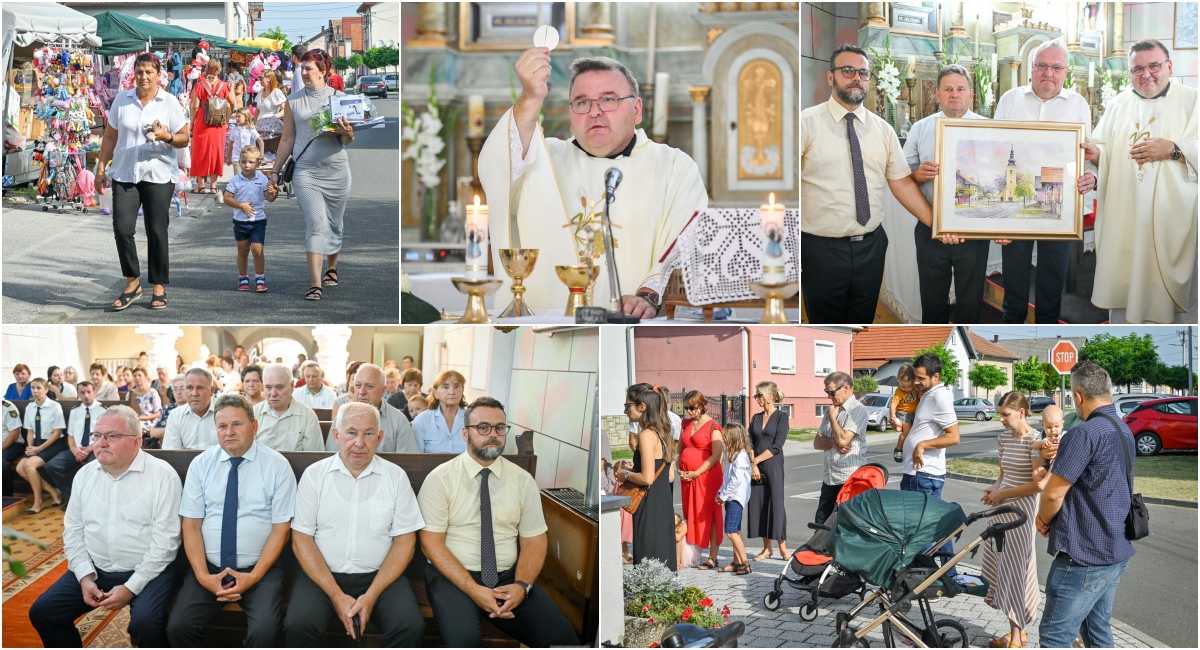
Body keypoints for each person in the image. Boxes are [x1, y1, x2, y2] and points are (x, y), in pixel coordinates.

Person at [479, 54, 707, 318]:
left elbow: (683, 246)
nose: (594, 111)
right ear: (570, 112)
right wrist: (530, 97)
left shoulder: (674, 167)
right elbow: (495, 169)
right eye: (582, 102)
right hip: (541, 327)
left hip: (632, 327)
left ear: (637, 110)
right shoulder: (541, 159)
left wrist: (649, 295)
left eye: (608, 99)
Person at [418, 396, 579, 647]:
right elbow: (430, 544)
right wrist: (474, 589)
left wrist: (522, 585)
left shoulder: (522, 481)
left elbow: (535, 541)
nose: (493, 434)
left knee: (563, 640)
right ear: (465, 433)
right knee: (464, 642)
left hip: (509, 579)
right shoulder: (441, 480)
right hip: (453, 578)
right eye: (483, 428)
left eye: (500, 428)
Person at [29, 406, 182, 648]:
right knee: (43, 612)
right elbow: (73, 531)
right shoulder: (85, 475)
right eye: (96, 436)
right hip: (97, 568)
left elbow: (166, 543)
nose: (101, 443)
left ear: (136, 442)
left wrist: (131, 587)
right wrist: (84, 576)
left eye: (112, 436)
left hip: (150, 571)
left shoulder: (163, 476)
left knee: (145, 623)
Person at [801, 44, 933, 323]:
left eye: (863, 73)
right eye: (848, 71)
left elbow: (902, 184)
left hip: (871, 247)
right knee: (827, 327)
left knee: (863, 324)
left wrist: (938, 222)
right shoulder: (805, 124)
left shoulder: (882, 130)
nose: (856, 78)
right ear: (830, 77)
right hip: (821, 250)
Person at [286, 402, 426, 646]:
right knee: (299, 624)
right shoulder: (315, 475)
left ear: (379, 438)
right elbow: (302, 540)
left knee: (410, 626)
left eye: (368, 434)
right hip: (321, 575)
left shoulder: (395, 477)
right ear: (337, 435)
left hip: (380, 577)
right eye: (351, 433)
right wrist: (335, 595)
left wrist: (371, 596)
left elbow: (405, 542)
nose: (359, 443)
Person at [167, 394, 297, 647]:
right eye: (222, 426)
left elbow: (281, 530)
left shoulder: (277, 466)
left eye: (237, 424)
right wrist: (204, 576)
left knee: (265, 631)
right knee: (179, 627)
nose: (229, 432)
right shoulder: (201, 465)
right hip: (209, 567)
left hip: (261, 568)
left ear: (254, 427)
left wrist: (254, 576)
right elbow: (191, 526)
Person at [1084, 39, 1197, 324]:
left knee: (1178, 319)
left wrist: (1173, 149)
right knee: (1127, 289)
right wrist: (1098, 156)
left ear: (1169, 66)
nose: (1146, 74)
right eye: (1137, 69)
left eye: (1154, 66)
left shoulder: (1193, 100)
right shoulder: (1117, 104)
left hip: (1173, 219)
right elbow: (1103, 150)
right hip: (1127, 217)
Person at [1035, 362, 1136, 648]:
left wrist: (1043, 520)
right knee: (1097, 633)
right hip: (1114, 548)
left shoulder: (1084, 433)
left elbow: (1053, 495)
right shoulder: (1123, 429)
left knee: (1055, 637)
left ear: (1078, 396)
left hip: (1084, 555)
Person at [994, 39, 1092, 324]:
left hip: (1060, 206)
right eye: (1042, 65)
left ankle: (1048, 324)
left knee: (1052, 281)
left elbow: (1086, 153)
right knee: (1014, 279)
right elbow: (994, 147)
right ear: (1031, 68)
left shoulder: (1078, 104)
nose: (1048, 72)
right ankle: (1013, 322)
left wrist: (1091, 175)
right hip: (1017, 205)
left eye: (1056, 67)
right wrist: (998, 220)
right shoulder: (1010, 99)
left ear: (1066, 72)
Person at [96, 52, 190, 311]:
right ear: (133, 74)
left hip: (158, 175)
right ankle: (133, 282)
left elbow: (185, 137)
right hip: (125, 173)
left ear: (159, 74)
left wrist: (166, 136)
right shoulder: (122, 100)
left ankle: (158, 286)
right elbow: (110, 137)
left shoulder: (169, 102)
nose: (144, 77)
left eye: (149, 72)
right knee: (122, 230)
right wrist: (101, 168)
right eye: (139, 72)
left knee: (156, 231)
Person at [903, 65, 991, 323]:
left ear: (971, 95)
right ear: (937, 95)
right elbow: (902, 176)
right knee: (932, 301)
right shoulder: (920, 129)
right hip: (931, 227)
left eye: (960, 89)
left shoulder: (990, 128)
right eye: (948, 89)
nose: (955, 94)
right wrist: (918, 174)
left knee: (971, 300)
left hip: (972, 233)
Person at [270, 49, 356, 301]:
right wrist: (275, 171)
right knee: (316, 223)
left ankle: (332, 267)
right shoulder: (293, 101)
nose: (304, 72)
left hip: (336, 170)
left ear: (324, 71)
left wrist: (348, 132)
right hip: (306, 172)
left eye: (309, 68)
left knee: (334, 223)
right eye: (302, 68)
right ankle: (315, 283)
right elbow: (287, 138)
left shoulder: (339, 98)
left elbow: (347, 139)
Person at [979, 392, 1044, 648]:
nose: (1001, 419)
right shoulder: (1003, 438)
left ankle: (1018, 638)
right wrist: (993, 491)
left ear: (1022, 412)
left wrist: (1002, 493)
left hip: (1021, 513)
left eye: (1005, 415)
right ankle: (1017, 633)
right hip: (1002, 509)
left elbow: (1037, 486)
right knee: (1004, 569)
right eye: (1000, 414)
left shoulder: (1034, 440)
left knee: (1018, 570)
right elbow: (1003, 475)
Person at [903, 352, 961, 577]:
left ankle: (926, 579)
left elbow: (954, 436)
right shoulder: (928, 394)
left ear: (935, 377)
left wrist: (922, 445)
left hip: (923, 475)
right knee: (936, 526)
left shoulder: (940, 397)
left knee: (921, 530)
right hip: (920, 474)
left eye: (921, 378)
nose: (916, 382)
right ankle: (949, 575)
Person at [616, 383, 677, 570]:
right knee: (662, 551)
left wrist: (624, 474)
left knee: (647, 551)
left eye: (628, 406)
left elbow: (647, 478)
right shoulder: (664, 432)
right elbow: (669, 476)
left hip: (649, 504)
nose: (625, 410)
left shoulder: (646, 435)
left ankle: (647, 598)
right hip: (664, 501)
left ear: (642, 406)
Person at [812, 372, 868, 526]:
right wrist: (831, 442)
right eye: (827, 393)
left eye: (831, 392)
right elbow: (817, 443)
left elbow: (843, 440)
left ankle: (841, 551)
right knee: (821, 524)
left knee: (845, 525)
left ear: (845, 387)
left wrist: (832, 417)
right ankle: (822, 551)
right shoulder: (832, 409)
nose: (829, 397)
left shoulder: (857, 409)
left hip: (849, 478)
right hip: (829, 477)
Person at [324, 364, 418, 453]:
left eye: (369, 386)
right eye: (358, 385)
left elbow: (408, 461)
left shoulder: (398, 421)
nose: (362, 392)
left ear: (383, 390)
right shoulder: (341, 417)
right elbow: (331, 456)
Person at [677, 390, 724, 570]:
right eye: (687, 408)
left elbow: (716, 455)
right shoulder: (686, 423)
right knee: (691, 514)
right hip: (687, 477)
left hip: (706, 477)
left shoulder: (713, 426)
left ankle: (713, 557)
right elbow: (679, 448)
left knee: (709, 515)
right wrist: (678, 467)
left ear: (703, 406)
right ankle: (692, 554)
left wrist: (696, 472)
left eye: (692, 408)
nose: (689, 411)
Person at [44, 381, 110, 506]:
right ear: (78, 394)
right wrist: (74, 449)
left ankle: (93, 502)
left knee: (93, 466)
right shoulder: (75, 411)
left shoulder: (103, 411)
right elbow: (71, 434)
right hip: (77, 448)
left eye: (89, 392)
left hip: (95, 448)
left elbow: (104, 436)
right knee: (52, 465)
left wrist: (88, 449)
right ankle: (73, 500)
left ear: (94, 392)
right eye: (82, 393)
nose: (86, 395)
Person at [224, 144, 279, 292]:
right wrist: (241, 205)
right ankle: (243, 277)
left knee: (257, 250)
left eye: (250, 162)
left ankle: (260, 277)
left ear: (258, 163)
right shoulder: (235, 180)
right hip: (240, 222)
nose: (246, 165)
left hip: (258, 221)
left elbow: (269, 197)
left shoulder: (263, 179)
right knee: (242, 251)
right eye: (243, 161)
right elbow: (227, 198)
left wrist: (274, 193)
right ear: (240, 161)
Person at [747, 381, 790, 561]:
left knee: (776, 505)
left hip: (773, 466)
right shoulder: (756, 418)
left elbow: (777, 446)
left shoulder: (781, 417)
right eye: (756, 395)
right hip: (756, 467)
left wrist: (756, 460)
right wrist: (753, 464)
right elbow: (748, 441)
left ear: (770, 396)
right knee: (759, 504)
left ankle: (783, 548)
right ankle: (766, 549)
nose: (756, 398)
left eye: (759, 395)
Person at [16, 378, 67, 513]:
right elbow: (30, 431)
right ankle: (53, 490)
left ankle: (38, 502)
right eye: (33, 388)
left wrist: (39, 449)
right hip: (36, 444)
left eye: (38, 388)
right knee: (20, 468)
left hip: (53, 443)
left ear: (46, 390)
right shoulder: (30, 407)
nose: (35, 391)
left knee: (29, 465)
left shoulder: (55, 407)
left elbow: (57, 433)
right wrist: (30, 447)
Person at [253, 364, 323, 452]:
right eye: (268, 387)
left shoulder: (308, 416)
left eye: (279, 387)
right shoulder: (254, 413)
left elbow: (312, 458)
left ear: (291, 386)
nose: (273, 393)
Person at [189, 59, 231, 195]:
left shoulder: (199, 86)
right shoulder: (225, 86)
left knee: (200, 153)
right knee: (216, 153)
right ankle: (213, 186)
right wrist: (226, 120)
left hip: (202, 123)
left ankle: (201, 186)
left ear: (206, 69)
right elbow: (232, 104)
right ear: (219, 70)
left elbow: (195, 106)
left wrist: (191, 123)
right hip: (219, 125)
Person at [716, 422, 752, 576]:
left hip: (736, 498)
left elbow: (736, 480)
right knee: (736, 530)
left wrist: (723, 495)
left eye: (725, 436)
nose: (723, 439)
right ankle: (736, 562)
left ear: (734, 438)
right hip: (730, 496)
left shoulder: (741, 456)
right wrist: (721, 492)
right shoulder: (732, 454)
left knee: (730, 531)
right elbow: (727, 479)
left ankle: (745, 563)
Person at [412, 370, 467, 454]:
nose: (452, 392)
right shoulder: (422, 420)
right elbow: (417, 457)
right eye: (445, 387)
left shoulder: (472, 418)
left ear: (462, 390)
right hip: (432, 467)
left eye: (456, 387)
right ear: (435, 393)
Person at [162, 369, 218, 450]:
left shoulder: (226, 413)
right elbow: (171, 453)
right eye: (190, 388)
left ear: (212, 391)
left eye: (200, 388)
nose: (194, 393)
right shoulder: (176, 415)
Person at [149, 374, 188, 444]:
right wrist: (172, 429)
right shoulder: (168, 409)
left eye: (182, 388)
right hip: (168, 448)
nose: (178, 392)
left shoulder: (194, 409)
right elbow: (153, 432)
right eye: (175, 389)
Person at [256, 70, 287, 159]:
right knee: (260, 158)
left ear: (269, 78)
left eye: (261, 78)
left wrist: (274, 117)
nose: (259, 80)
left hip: (272, 131)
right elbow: (257, 110)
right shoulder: (261, 91)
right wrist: (254, 125)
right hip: (259, 128)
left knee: (270, 157)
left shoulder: (276, 92)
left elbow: (285, 109)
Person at [129, 367, 163, 440]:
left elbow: (157, 413)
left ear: (145, 377)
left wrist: (140, 418)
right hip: (134, 421)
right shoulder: (130, 394)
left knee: (135, 427)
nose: (137, 378)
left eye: (139, 375)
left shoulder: (152, 392)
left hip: (150, 421)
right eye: (134, 376)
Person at [889, 364, 921, 442]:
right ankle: (899, 449)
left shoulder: (916, 387)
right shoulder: (899, 391)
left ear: (914, 380)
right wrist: (892, 414)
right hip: (904, 413)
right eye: (903, 386)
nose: (906, 389)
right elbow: (893, 403)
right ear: (898, 381)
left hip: (914, 413)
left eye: (909, 386)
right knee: (906, 432)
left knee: (902, 429)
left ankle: (898, 424)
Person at [3, 400, 24, 497]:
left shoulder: (8, 407)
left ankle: (6, 497)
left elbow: (14, 434)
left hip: (11, 444)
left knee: (1, 464)